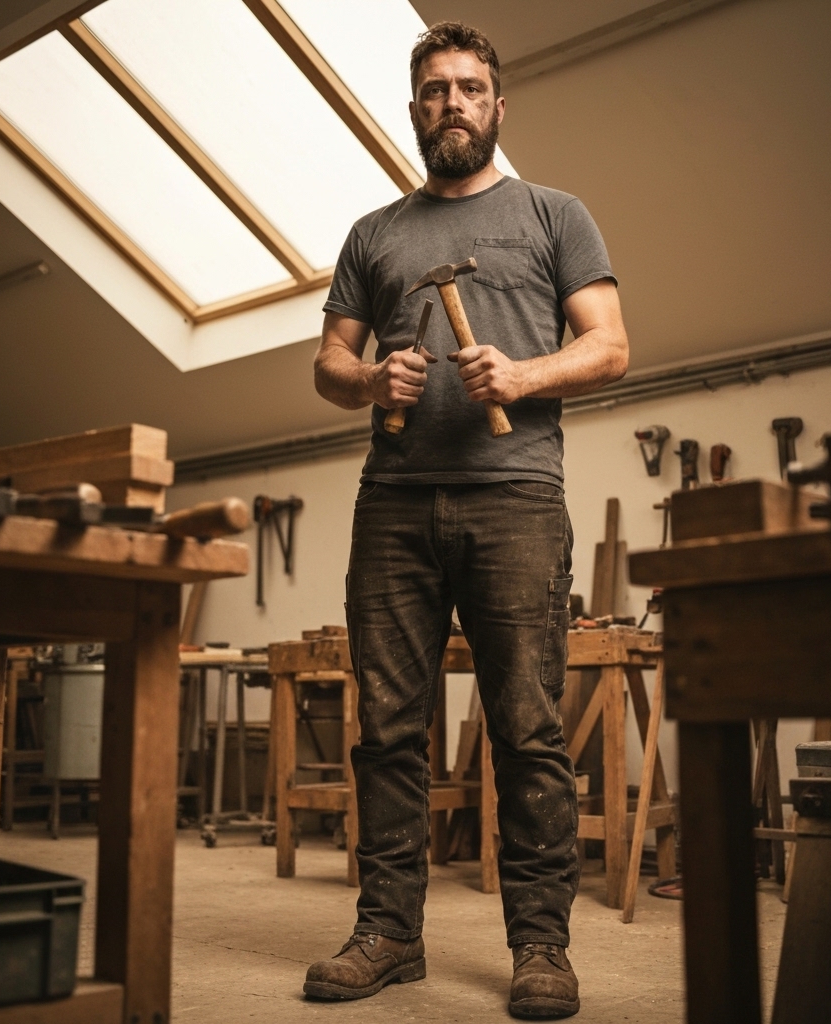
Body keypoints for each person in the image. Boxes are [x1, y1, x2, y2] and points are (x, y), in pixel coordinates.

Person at [305, 21, 628, 1020]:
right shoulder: (374, 234)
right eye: (435, 90)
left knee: (527, 729)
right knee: (388, 732)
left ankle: (541, 947)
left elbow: (611, 345)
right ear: (414, 110)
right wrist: (369, 378)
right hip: (393, 503)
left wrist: (525, 372)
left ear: (498, 105)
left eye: (470, 88)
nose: (453, 103)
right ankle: (389, 933)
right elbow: (326, 365)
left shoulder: (553, 215)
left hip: (517, 496)